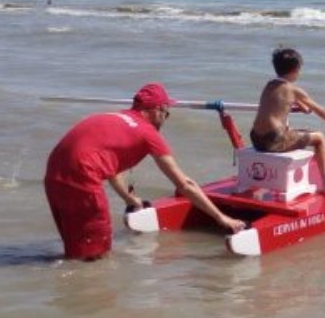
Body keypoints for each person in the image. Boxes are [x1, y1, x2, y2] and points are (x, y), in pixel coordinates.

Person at [44, 82, 246, 261]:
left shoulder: (117, 116)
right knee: (97, 256)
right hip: (82, 176)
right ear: (159, 109)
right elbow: (184, 184)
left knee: (75, 250)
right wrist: (221, 218)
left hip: (53, 173)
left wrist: (131, 200)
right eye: (167, 114)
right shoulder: (148, 133)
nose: (165, 120)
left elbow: (111, 169)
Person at [250, 48, 325, 195]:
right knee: (319, 138)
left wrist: (302, 107)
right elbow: (320, 110)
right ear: (296, 69)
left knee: (291, 131)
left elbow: (299, 106)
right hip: (273, 140)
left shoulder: (269, 85)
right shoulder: (293, 89)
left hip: (256, 138)